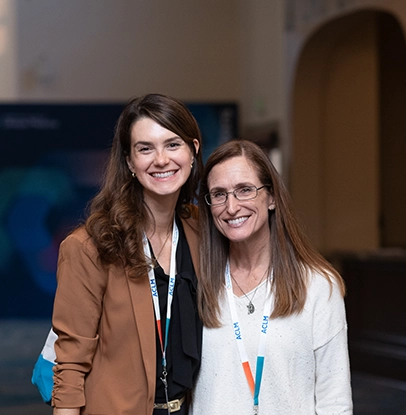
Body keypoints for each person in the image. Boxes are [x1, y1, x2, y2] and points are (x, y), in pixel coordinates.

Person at [51, 93, 203, 415]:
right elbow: (70, 365)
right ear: (130, 162)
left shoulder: (201, 232)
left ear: (193, 150)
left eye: (172, 144)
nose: (161, 159)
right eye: (145, 148)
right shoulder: (90, 247)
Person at [191, 139, 353, 414]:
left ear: (272, 197)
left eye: (245, 190)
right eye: (219, 194)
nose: (231, 207)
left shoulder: (317, 286)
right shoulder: (197, 283)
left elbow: (334, 402)